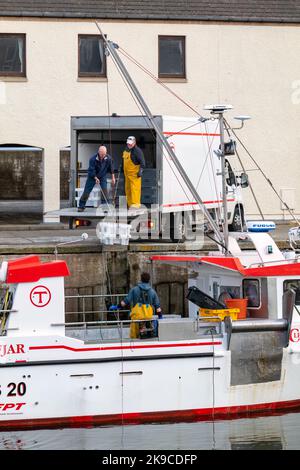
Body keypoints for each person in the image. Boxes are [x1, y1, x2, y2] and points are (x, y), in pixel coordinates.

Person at [120, 272, 162, 339]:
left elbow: (124, 302)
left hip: (136, 317)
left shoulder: (134, 289)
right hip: (148, 318)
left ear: (141, 279)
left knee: (134, 337)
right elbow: (158, 308)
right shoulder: (152, 291)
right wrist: (160, 317)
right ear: (149, 280)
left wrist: (117, 306)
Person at [78, 145, 115, 211]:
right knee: (87, 191)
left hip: (102, 176)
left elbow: (111, 168)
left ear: (106, 153)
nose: (103, 156)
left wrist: (113, 178)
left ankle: (105, 207)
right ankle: (81, 206)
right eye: (102, 154)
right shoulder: (93, 159)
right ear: (99, 152)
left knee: (104, 191)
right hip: (92, 176)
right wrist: (95, 178)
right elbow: (91, 170)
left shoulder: (108, 158)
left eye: (104, 154)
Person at [121, 136, 145, 208]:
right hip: (127, 176)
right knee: (128, 190)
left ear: (134, 143)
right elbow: (124, 161)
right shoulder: (126, 150)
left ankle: (136, 206)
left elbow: (143, 163)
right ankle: (130, 205)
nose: (129, 145)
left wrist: (140, 171)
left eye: (131, 143)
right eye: (128, 143)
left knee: (135, 191)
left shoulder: (138, 151)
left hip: (135, 176)